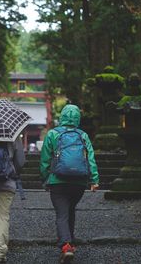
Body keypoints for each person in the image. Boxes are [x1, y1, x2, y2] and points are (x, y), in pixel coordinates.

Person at [39, 104, 99, 264]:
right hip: (79, 182)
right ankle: (70, 242)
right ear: (78, 118)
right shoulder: (83, 135)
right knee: (70, 209)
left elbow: (45, 160)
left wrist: (45, 178)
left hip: (58, 181)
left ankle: (65, 246)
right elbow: (90, 158)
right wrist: (94, 179)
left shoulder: (52, 134)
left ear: (62, 116)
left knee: (62, 213)